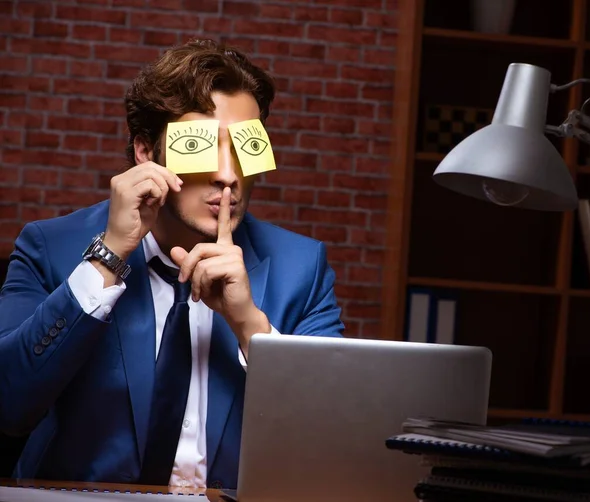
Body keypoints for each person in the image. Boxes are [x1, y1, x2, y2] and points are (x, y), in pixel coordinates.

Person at [0, 38, 344, 490]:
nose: (227, 174)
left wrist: (249, 326)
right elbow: (8, 405)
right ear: (146, 151)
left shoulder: (301, 268)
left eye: (245, 148)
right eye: (202, 147)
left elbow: (334, 439)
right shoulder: (51, 246)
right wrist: (107, 258)